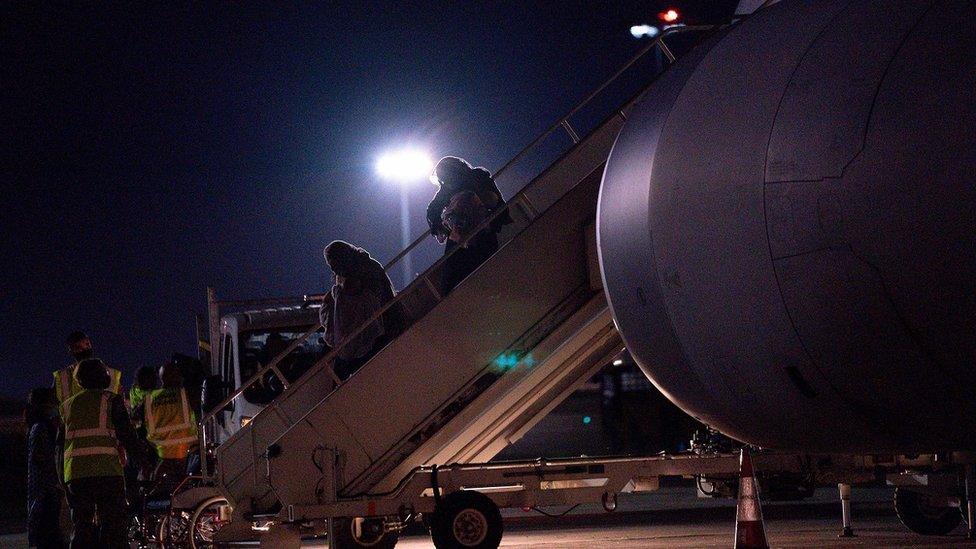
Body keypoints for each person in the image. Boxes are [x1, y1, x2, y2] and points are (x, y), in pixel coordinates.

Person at [58, 358, 144, 549]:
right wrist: (143, 461)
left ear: (79, 381)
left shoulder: (67, 406)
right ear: (104, 377)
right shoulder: (111, 400)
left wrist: (63, 479)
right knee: (114, 527)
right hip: (107, 472)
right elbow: (128, 435)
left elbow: (60, 447)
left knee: (82, 528)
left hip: (75, 475)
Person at [426, 156, 511, 294]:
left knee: (461, 274)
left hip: (479, 231)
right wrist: (445, 229)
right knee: (454, 275)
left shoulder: (475, 177)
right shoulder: (449, 188)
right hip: (468, 235)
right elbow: (432, 210)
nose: (446, 180)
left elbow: (495, 199)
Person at [322, 240, 404, 379]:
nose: (334, 270)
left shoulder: (365, 270)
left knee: (344, 365)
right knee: (342, 363)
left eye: (333, 265)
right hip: (373, 329)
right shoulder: (364, 266)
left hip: (381, 329)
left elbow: (368, 303)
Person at [143, 362, 198, 483]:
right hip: (186, 456)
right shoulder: (186, 394)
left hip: (162, 455)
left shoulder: (150, 398)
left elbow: (146, 426)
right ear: (176, 376)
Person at [26, 387, 64, 549]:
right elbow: (41, 458)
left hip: (45, 491)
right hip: (46, 492)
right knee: (49, 535)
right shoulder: (41, 427)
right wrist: (56, 481)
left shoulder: (41, 426)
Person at [53, 331, 121, 404]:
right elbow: (52, 403)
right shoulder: (62, 377)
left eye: (87, 344)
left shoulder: (112, 374)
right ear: (71, 352)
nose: (84, 349)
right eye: (78, 347)